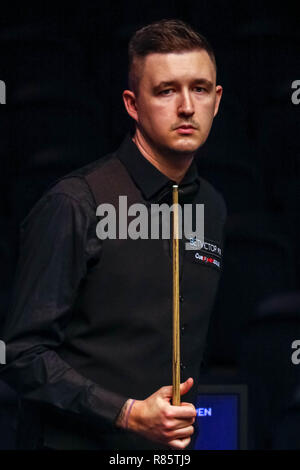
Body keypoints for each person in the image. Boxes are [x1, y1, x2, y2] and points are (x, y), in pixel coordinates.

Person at [0, 19, 225, 450]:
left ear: (216, 100)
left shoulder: (212, 207)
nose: (185, 107)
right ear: (132, 104)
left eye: (199, 89)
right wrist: (124, 413)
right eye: (165, 91)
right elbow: (20, 356)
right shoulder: (75, 203)